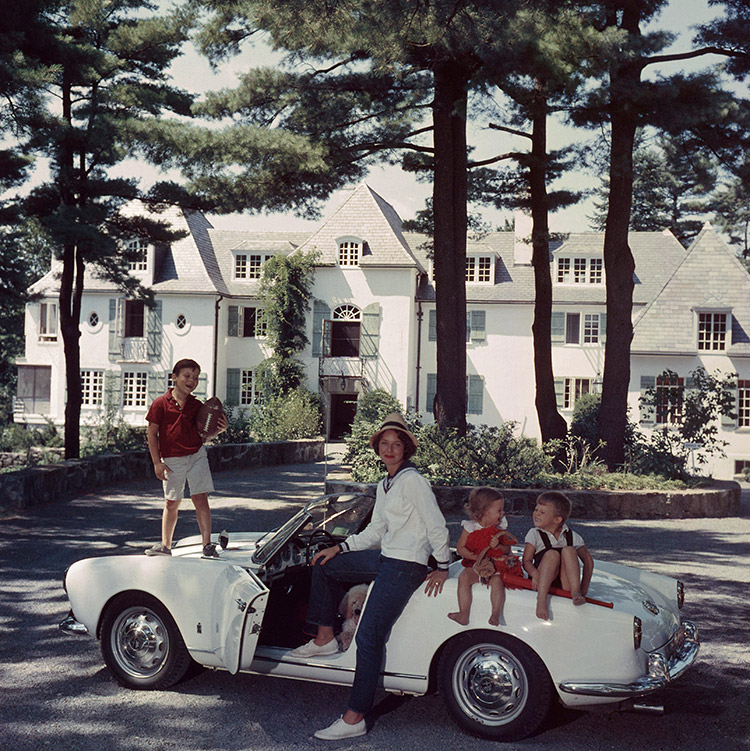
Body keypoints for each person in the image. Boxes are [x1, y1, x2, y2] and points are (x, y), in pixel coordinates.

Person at [288, 413, 451, 741]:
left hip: (406, 565)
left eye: (396, 444)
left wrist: (444, 565)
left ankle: (354, 717)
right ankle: (324, 640)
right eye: (384, 444)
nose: (390, 449)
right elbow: (377, 529)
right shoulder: (387, 482)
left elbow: (436, 524)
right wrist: (341, 548)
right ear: (378, 448)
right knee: (325, 566)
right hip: (386, 557)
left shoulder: (412, 481)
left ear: (405, 448)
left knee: (368, 637)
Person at [144, 358, 227, 558]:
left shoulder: (197, 406)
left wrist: (219, 429)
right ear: (174, 377)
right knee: (172, 502)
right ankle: (165, 546)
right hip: (172, 459)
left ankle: (207, 545)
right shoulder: (160, 404)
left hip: (196, 455)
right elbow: (151, 434)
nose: (192, 381)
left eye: (196, 377)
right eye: (187, 376)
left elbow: (204, 434)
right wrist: (157, 462)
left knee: (201, 498)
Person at [448, 487, 519, 627]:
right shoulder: (470, 527)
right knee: (464, 578)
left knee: (497, 582)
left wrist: (498, 546)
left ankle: (495, 613)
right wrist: (473, 556)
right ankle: (463, 613)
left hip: (495, 565)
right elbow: (460, 548)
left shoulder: (500, 528)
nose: (503, 513)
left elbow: (508, 549)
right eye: (499, 510)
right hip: (475, 564)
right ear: (485, 511)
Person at [522, 490, 594, 620]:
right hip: (542, 581)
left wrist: (584, 588)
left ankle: (575, 592)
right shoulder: (534, 534)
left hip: (564, 583)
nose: (536, 514)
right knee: (552, 554)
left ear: (557, 519)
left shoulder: (572, 536)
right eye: (536, 509)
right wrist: (535, 575)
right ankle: (541, 600)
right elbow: (526, 561)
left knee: (569, 550)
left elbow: (588, 560)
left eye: (542, 512)